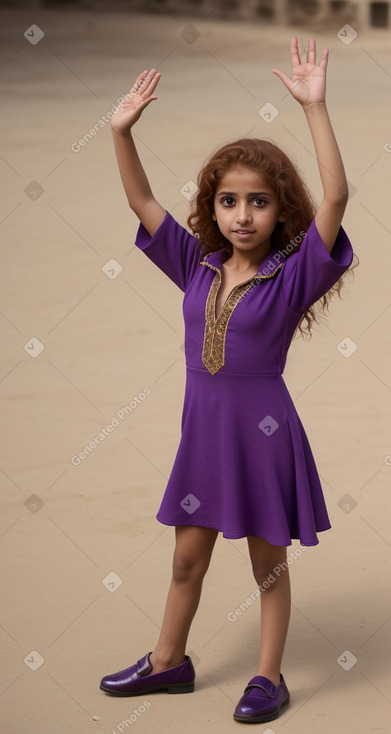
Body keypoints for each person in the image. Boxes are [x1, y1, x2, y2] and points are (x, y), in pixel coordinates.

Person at [100, 37, 355, 723]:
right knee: (186, 561)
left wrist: (315, 107)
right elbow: (140, 198)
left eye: (259, 203)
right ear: (211, 208)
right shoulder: (196, 265)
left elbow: (336, 193)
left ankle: (267, 679)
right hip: (203, 437)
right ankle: (166, 663)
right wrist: (121, 130)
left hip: (264, 435)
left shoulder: (292, 274)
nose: (242, 215)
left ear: (280, 211)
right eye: (228, 201)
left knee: (266, 566)